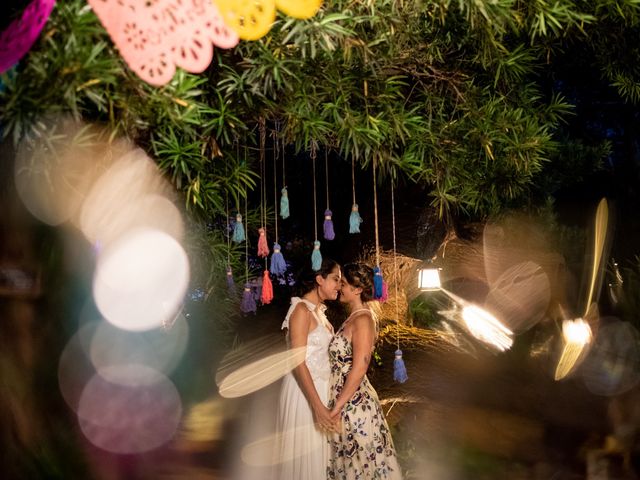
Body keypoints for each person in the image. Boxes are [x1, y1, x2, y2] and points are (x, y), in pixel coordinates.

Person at [328, 263, 402, 479]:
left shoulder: (363, 319)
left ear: (357, 290)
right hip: (347, 401)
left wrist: (337, 406)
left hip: (354, 405)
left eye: (344, 284)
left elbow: (361, 365)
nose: (340, 287)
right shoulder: (354, 317)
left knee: (362, 468)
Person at [275, 258, 342, 480]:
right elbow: (297, 360)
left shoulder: (319, 313)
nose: (339, 285)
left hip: (321, 390)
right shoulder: (301, 310)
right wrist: (317, 406)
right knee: (307, 463)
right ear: (319, 279)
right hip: (304, 393)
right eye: (335, 279)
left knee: (321, 462)